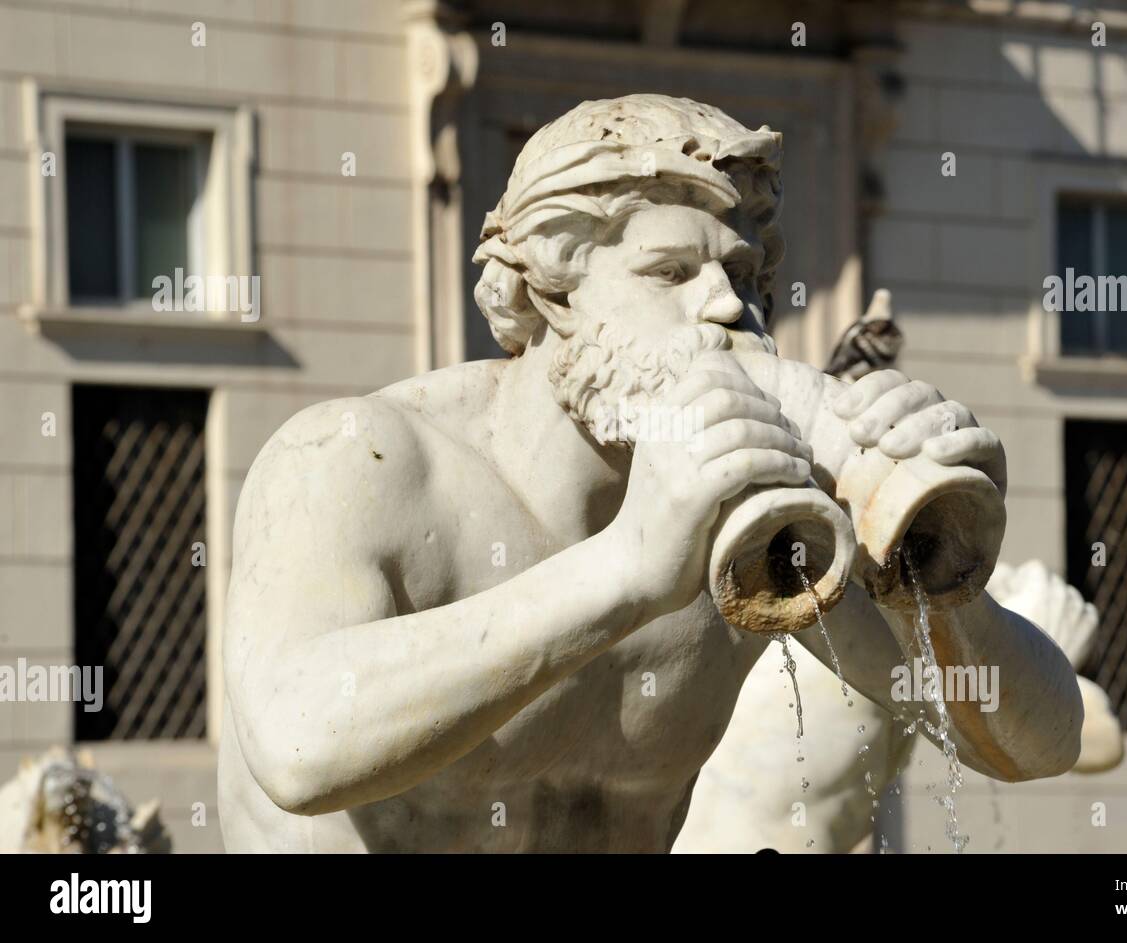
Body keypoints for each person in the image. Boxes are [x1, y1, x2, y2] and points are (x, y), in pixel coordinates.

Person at [218, 95, 1081, 853]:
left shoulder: (756, 517)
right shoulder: (353, 458)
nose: (723, 306)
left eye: (743, 275)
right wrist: (630, 565)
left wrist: (927, 578)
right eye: (669, 271)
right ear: (551, 293)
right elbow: (297, 744)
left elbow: (1034, 744)